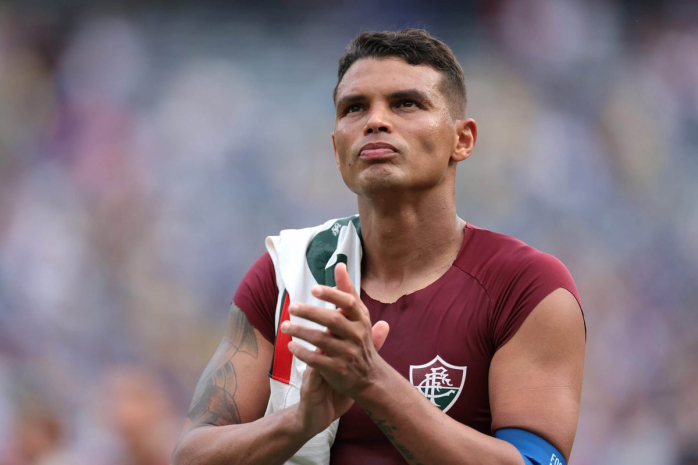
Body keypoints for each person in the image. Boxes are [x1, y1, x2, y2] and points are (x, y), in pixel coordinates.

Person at [172, 29, 586, 465]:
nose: (375, 121)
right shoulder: (286, 275)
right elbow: (191, 456)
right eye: (354, 108)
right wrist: (298, 423)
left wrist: (371, 381)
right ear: (337, 150)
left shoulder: (526, 286)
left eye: (406, 103)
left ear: (462, 140)